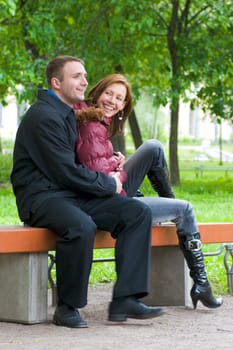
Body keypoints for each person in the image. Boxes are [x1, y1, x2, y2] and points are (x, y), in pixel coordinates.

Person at [10, 56, 165, 329]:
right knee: (81, 225)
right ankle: (67, 307)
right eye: (76, 76)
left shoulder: (67, 113)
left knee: (136, 212)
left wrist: (111, 166)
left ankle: (125, 298)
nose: (85, 82)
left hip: (68, 193)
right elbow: (65, 171)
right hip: (41, 197)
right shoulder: (43, 116)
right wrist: (108, 184)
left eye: (85, 75)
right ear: (56, 83)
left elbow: (80, 163)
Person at [84, 73, 223, 311]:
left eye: (119, 98)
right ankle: (201, 283)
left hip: (109, 193)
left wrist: (113, 162)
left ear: (123, 106)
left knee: (153, 147)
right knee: (186, 209)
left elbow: (93, 164)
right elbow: (91, 171)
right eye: (109, 93)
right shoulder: (88, 124)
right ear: (97, 93)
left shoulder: (97, 123)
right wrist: (112, 168)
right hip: (106, 204)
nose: (112, 100)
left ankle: (170, 208)